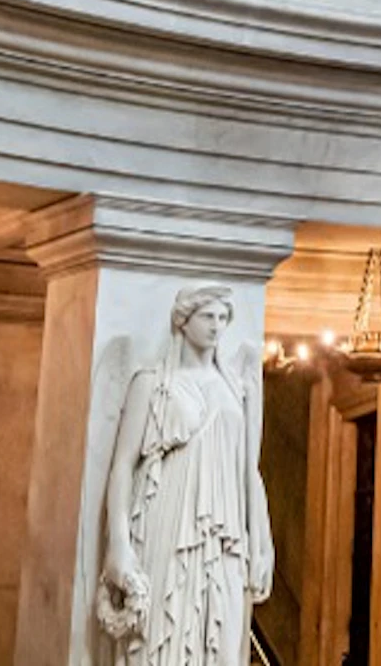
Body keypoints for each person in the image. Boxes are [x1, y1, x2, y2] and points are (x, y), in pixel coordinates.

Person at [102, 285, 274, 666]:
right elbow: (122, 466)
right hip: (168, 519)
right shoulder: (152, 383)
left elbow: (250, 471)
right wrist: (119, 543)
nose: (217, 327)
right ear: (184, 320)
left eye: (223, 318)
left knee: (223, 636)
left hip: (225, 532)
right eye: (208, 317)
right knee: (163, 631)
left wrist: (263, 542)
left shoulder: (237, 388)